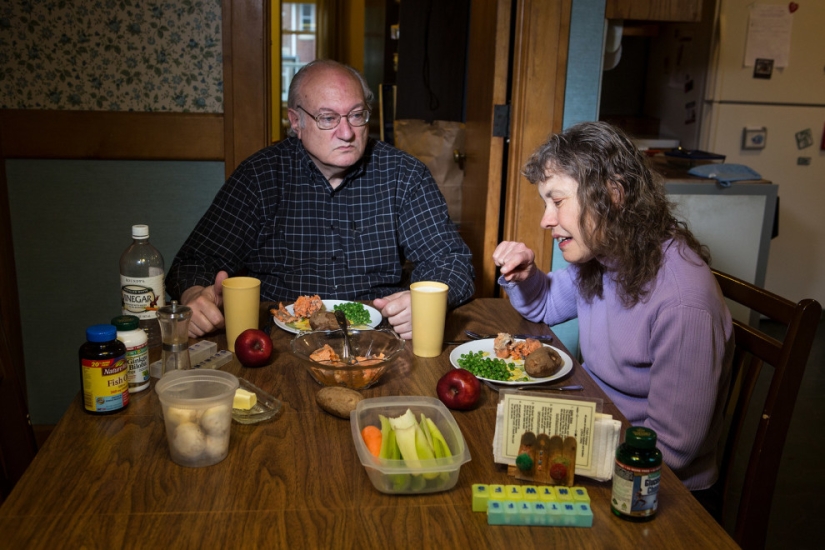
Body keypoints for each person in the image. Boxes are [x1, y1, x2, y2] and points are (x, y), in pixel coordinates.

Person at [493, 121, 734, 504]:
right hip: (600, 429)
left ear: (613, 194)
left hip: (656, 489)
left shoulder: (684, 301)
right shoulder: (609, 254)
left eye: (557, 201)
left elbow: (673, 450)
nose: (545, 220)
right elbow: (544, 305)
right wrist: (524, 277)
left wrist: (566, 437)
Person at [166, 60, 474, 339]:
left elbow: (451, 260)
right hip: (277, 341)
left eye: (356, 115)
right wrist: (195, 294)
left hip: (378, 340)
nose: (347, 133)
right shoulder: (260, 176)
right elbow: (194, 261)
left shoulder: (403, 175)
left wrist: (424, 302)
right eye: (327, 118)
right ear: (296, 122)